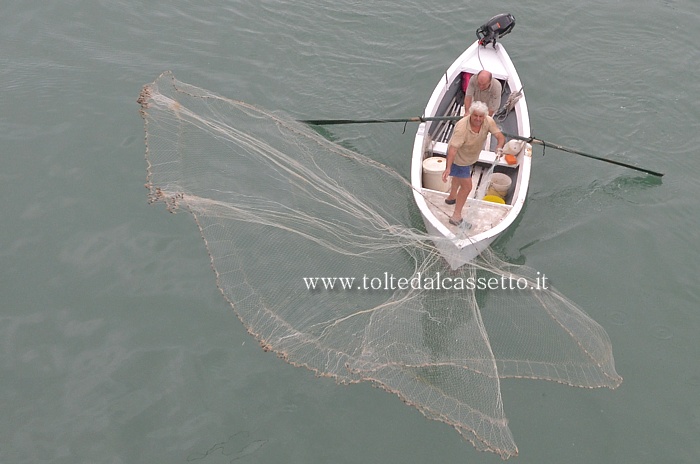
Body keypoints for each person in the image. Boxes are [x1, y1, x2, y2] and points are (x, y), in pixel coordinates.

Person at [442, 101, 505, 226]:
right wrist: (448, 168)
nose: (478, 119)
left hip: (470, 157)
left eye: (481, 116)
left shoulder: (488, 121)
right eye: (475, 115)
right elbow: (453, 150)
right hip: (458, 159)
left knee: (457, 178)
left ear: (485, 116)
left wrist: (499, 147)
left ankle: (451, 198)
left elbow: (500, 136)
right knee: (467, 187)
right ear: (470, 114)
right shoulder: (461, 128)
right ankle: (456, 216)